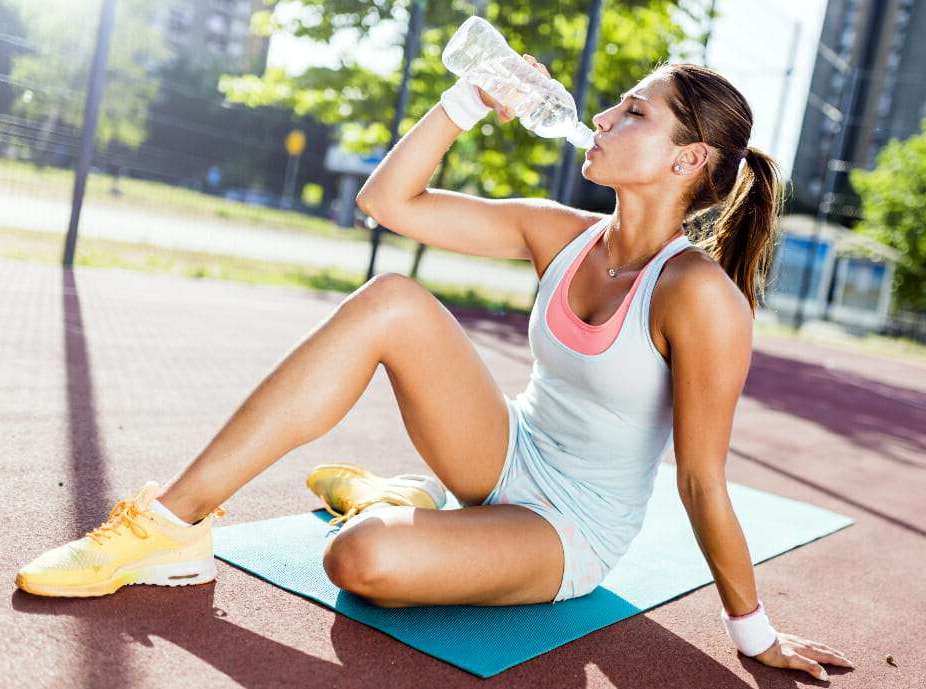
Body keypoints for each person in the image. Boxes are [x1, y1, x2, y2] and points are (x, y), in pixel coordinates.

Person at [16, 55, 852, 682]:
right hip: (501, 450)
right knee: (392, 299)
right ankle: (170, 526)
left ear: (688, 160)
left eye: (633, 111)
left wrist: (756, 635)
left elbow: (702, 480)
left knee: (362, 561)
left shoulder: (698, 294)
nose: (600, 115)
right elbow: (388, 205)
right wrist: (465, 101)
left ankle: (393, 502)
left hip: (569, 529)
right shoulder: (559, 232)